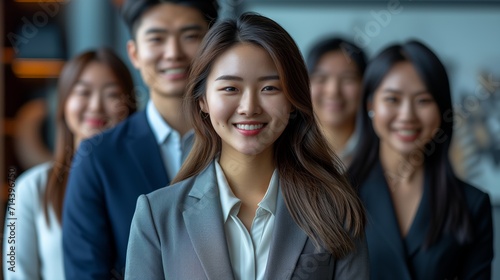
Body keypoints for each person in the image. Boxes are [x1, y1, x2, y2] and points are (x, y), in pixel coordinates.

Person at [124, 13, 369, 280]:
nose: (249, 107)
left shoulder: (335, 209)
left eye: (270, 88)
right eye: (230, 88)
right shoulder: (158, 215)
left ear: (292, 99)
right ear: (203, 100)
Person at [62, 0, 219, 279]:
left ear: (213, 46)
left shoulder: (241, 143)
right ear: (134, 53)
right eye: (157, 38)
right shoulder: (98, 157)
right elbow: (86, 271)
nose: (173, 53)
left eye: (191, 36)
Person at [348, 40, 493, 279]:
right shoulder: (336, 195)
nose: (407, 116)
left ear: (442, 110)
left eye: (423, 100)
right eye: (393, 99)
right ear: (371, 105)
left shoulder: (472, 204)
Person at [3, 48, 137, 280]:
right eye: (83, 92)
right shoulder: (28, 188)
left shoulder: (141, 181)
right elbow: (15, 269)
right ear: (64, 103)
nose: (96, 106)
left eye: (112, 94)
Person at [306, 37, 367, 166]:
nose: (333, 91)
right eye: (321, 78)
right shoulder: (287, 151)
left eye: (347, 79)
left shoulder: (383, 150)